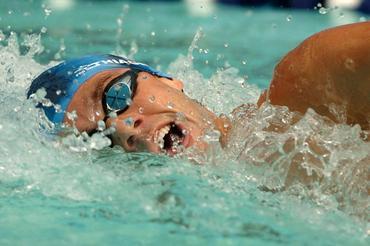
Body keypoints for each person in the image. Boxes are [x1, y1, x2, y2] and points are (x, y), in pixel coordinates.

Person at [27, 21, 370, 156]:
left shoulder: (313, 83)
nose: (119, 126)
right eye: (95, 140)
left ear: (167, 80)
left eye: (114, 96)